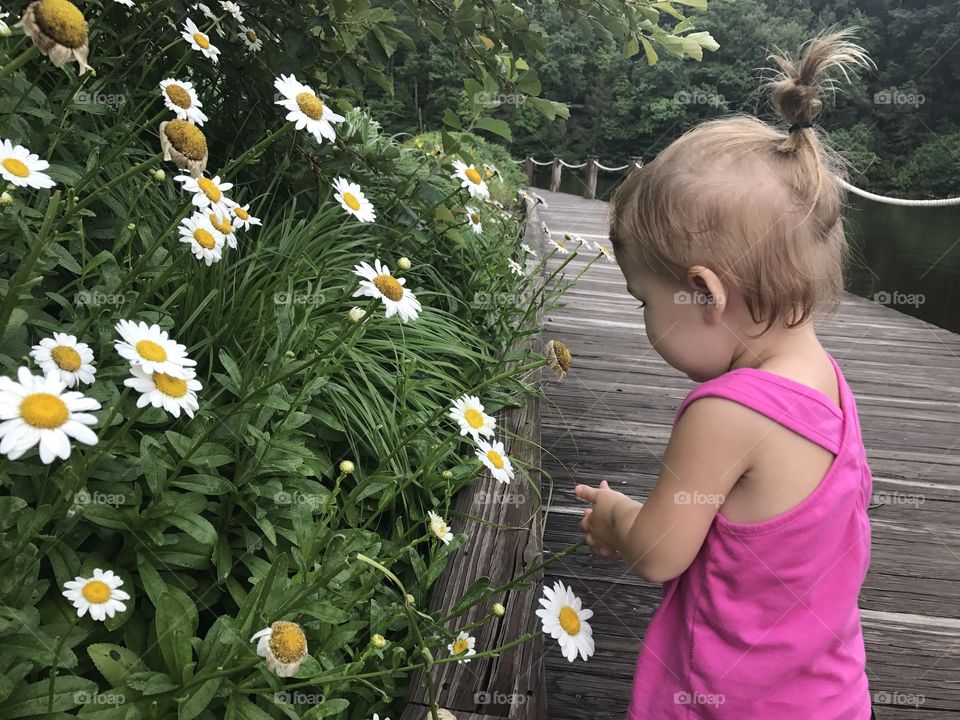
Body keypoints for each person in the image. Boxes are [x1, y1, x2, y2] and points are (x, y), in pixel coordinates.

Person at [574, 28, 878, 719]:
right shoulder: (826, 383)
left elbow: (658, 552)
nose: (646, 324)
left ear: (704, 296)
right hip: (827, 695)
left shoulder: (726, 411)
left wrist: (617, 517)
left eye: (644, 302)